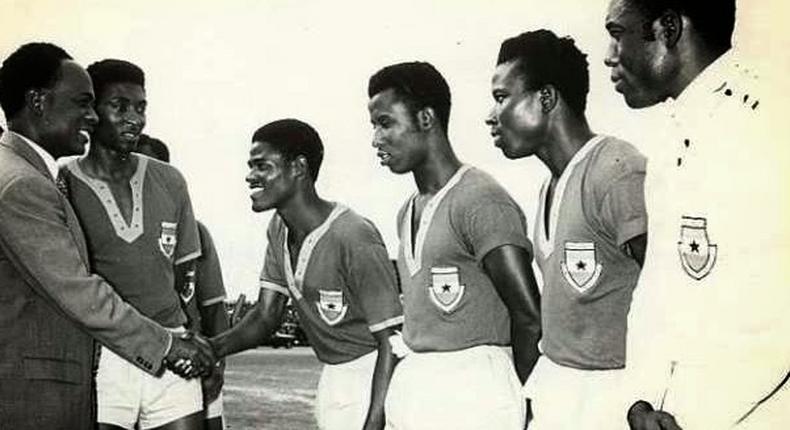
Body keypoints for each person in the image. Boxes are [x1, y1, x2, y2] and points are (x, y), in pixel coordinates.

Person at [0, 43, 213, 430]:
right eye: (84, 102)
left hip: (134, 353)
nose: (90, 115)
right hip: (63, 375)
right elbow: (78, 290)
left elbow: (186, 281)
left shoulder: (27, 173)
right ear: (37, 102)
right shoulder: (24, 183)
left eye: (141, 107)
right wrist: (167, 346)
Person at [604, 1, 790, 428]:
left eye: (618, 33)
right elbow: (658, 289)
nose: (610, 54)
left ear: (668, 28)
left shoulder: (768, 120)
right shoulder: (675, 132)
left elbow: (772, 308)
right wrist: (639, 398)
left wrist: (692, 415)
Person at [485, 30, 647, 429]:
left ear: (546, 98)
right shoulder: (548, 186)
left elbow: (673, 292)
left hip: (614, 395)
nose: (491, 115)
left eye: (502, 97)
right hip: (559, 388)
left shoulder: (617, 170)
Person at [367, 61, 541, 429]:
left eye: (385, 123)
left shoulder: (482, 200)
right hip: (417, 387)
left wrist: (531, 406)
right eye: (374, 126)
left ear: (426, 118)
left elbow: (528, 317)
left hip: (475, 393)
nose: (376, 139)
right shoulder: (406, 212)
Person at [209, 119, 403, 430]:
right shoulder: (278, 228)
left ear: (299, 167)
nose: (250, 176)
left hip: (377, 376)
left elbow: (392, 340)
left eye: (262, 166)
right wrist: (211, 348)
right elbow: (265, 316)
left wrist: (375, 422)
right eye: (251, 166)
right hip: (333, 376)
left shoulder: (353, 234)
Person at [59, 59, 207, 430]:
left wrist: (202, 350)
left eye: (140, 107)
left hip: (174, 347)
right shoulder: (63, 181)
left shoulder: (170, 180)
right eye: (120, 106)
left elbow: (186, 280)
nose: (134, 119)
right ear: (92, 112)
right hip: (104, 356)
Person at [135, 133, 230, 430]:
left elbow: (214, 309)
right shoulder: (113, 233)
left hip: (191, 364)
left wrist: (217, 365)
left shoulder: (196, 231)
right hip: (132, 361)